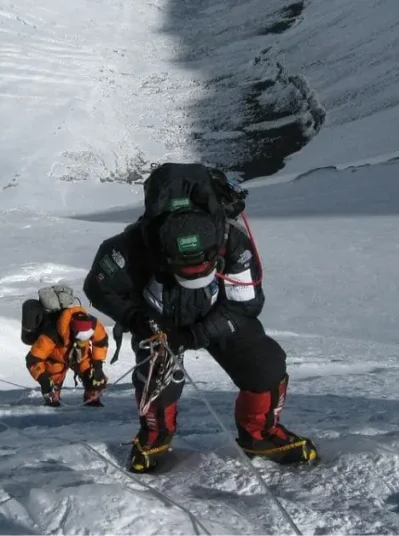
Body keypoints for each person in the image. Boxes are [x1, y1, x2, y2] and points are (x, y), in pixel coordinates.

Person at [82, 162, 317, 473]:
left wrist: (197, 334)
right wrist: (138, 320)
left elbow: (246, 304)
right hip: (157, 321)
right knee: (156, 379)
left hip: (217, 313)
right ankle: (155, 436)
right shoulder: (130, 247)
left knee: (265, 365)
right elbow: (98, 287)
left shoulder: (232, 240)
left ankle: (260, 435)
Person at [25, 307, 109, 407]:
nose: (83, 342)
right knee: (51, 393)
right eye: (80, 339)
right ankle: (53, 399)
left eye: (86, 339)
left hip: (81, 356)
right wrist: (43, 380)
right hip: (55, 360)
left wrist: (98, 366)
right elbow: (33, 359)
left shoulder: (93, 324)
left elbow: (100, 342)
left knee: (95, 379)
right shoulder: (51, 333)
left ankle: (91, 398)